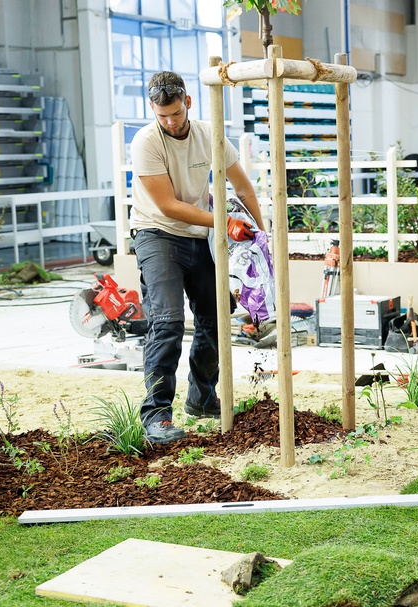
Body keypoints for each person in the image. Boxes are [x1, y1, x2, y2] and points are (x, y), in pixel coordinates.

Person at [130, 71, 264, 444]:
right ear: (153, 111)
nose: (170, 122)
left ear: (188, 102)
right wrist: (224, 222)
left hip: (198, 234)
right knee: (168, 321)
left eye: (175, 113)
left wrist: (262, 235)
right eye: (162, 116)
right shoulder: (145, 141)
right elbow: (168, 206)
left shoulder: (210, 133)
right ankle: (156, 417)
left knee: (218, 313)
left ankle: (202, 398)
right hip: (156, 233)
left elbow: (243, 187)